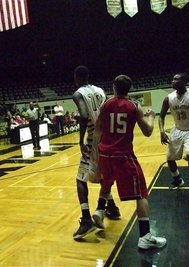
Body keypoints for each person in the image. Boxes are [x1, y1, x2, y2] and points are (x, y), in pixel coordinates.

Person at [96, 74, 166, 249]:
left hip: (105, 153)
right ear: (130, 89)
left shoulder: (105, 105)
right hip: (123, 156)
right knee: (141, 193)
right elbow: (148, 132)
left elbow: (97, 130)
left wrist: (97, 154)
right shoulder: (134, 107)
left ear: (113, 87)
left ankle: (99, 209)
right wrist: (151, 116)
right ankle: (145, 236)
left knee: (107, 181)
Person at [72, 65, 120, 240]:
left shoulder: (78, 94)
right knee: (103, 175)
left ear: (77, 77)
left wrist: (80, 140)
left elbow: (84, 116)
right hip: (106, 136)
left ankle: (86, 220)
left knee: (80, 179)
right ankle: (112, 207)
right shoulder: (100, 90)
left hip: (93, 138)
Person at [159, 73, 189, 198]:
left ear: (184, 82)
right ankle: (178, 180)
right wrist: (162, 131)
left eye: (176, 79)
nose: (173, 81)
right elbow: (161, 116)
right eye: (173, 78)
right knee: (169, 158)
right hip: (178, 129)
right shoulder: (168, 98)